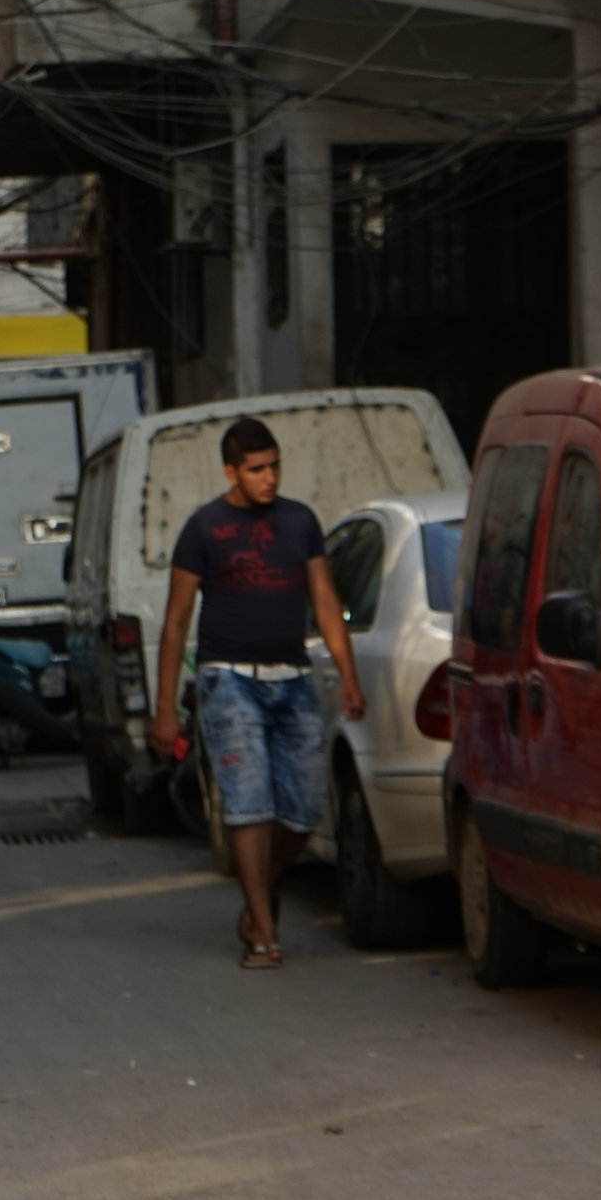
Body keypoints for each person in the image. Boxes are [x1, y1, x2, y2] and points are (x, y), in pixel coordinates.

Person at [149, 415, 364, 969]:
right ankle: (265, 933)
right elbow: (175, 622)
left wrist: (349, 676)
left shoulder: (300, 522)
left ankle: (257, 895)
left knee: (304, 808)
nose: (269, 478)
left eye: (275, 467)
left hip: (293, 680)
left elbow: (323, 598)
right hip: (229, 682)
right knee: (249, 806)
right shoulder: (203, 528)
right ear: (231, 471)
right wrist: (165, 709)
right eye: (256, 469)